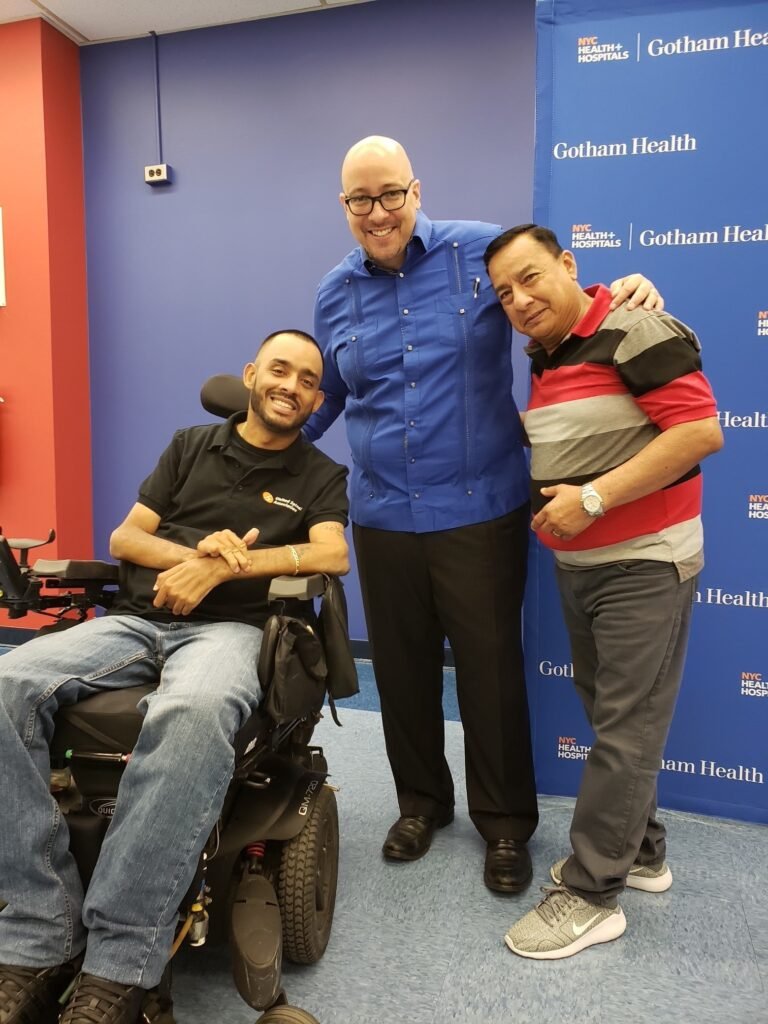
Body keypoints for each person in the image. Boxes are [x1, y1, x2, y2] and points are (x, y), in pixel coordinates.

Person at [305, 135, 664, 892]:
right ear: (344, 206)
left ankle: (503, 824)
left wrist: (624, 292)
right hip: (382, 513)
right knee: (402, 671)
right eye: (361, 200)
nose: (378, 212)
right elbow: (330, 393)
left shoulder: (478, 251)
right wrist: (265, 442)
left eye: (391, 194)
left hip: (480, 507)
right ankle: (421, 805)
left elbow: (555, 304)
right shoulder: (334, 291)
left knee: (490, 672)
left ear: (415, 190)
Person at [0, 330, 349, 1023]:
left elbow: (332, 555)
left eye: (308, 381)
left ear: (316, 400)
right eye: (280, 370)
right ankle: (41, 929)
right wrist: (195, 554)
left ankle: (120, 960)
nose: (292, 386)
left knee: (190, 712)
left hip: (236, 631)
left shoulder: (320, 474)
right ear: (251, 375)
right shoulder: (191, 446)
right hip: (137, 621)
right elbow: (125, 539)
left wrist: (226, 567)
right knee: (8, 684)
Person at [483, 224, 722, 958]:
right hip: (584, 569)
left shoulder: (634, 327)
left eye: (530, 277)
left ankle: (593, 894)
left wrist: (591, 499)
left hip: (645, 564)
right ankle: (642, 853)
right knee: (615, 719)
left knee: (624, 730)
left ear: (568, 263)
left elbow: (699, 432)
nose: (520, 300)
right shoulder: (549, 352)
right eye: (504, 293)